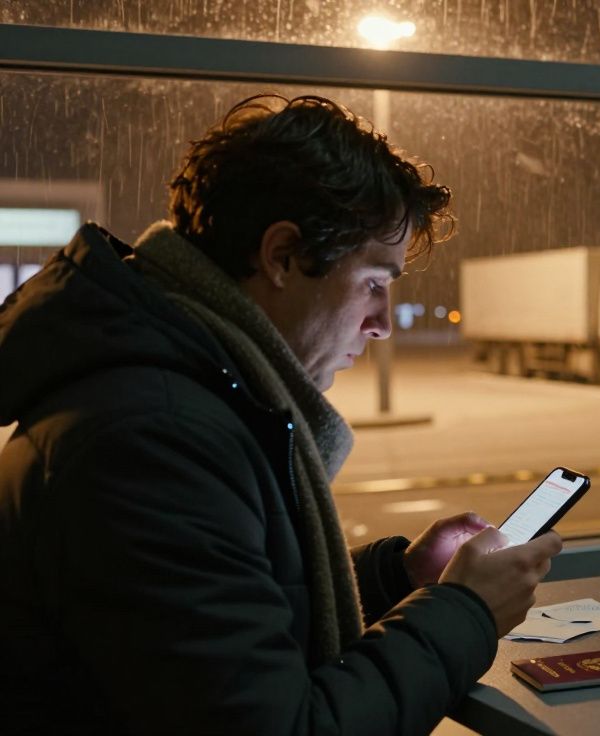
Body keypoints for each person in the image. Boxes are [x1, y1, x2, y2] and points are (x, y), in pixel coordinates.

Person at [0, 94, 562, 734]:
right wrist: (465, 612)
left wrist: (395, 577)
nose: (381, 325)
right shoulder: (151, 439)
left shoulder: (174, 392)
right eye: (374, 282)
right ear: (283, 256)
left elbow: (228, 615)